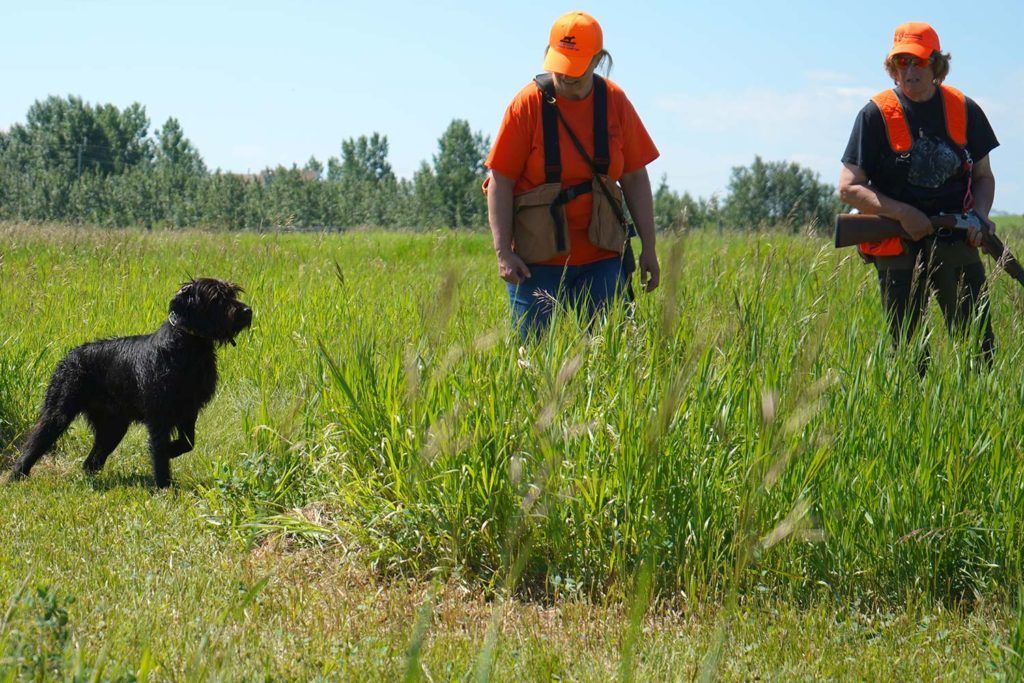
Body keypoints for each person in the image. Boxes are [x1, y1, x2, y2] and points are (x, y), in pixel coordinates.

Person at [484, 10, 660, 338]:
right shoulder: (526, 105)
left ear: (598, 60)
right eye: (560, 68)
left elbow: (635, 177)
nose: (564, 78)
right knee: (533, 363)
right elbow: (500, 180)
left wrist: (649, 247)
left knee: (608, 359)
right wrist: (503, 253)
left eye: (575, 72)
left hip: (602, 259)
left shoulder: (615, 103)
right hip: (536, 263)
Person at [838, 22, 999, 370]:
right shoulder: (875, 114)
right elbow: (848, 187)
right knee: (908, 354)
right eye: (901, 63)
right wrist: (902, 214)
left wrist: (980, 217)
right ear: (892, 67)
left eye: (918, 62)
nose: (909, 71)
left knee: (979, 351)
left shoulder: (964, 108)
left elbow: (984, 177)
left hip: (956, 238)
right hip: (899, 243)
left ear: (936, 64)